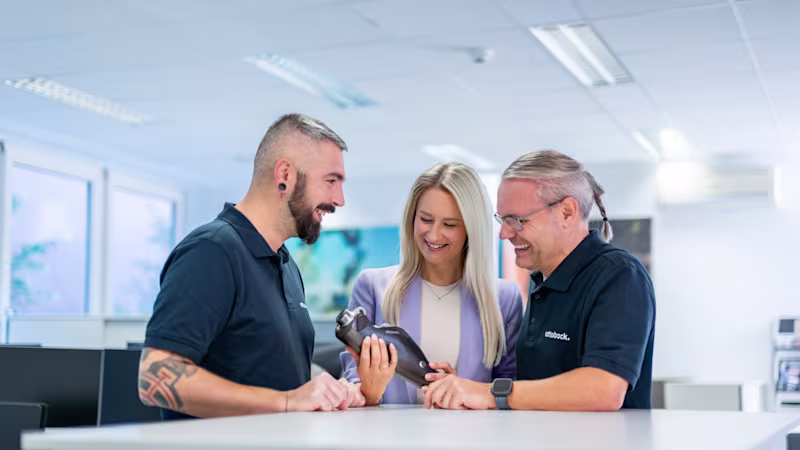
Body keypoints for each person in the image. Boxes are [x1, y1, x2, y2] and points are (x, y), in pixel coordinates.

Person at [138, 113, 365, 419]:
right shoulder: (211, 251)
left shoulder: (285, 264)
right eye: (330, 181)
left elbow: (269, 374)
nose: (339, 199)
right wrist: (286, 401)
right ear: (285, 175)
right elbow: (155, 378)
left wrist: (328, 389)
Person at [423, 150, 655, 411]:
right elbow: (535, 389)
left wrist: (490, 393)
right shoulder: (541, 282)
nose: (504, 234)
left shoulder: (619, 276)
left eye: (517, 220)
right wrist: (465, 387)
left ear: (566, 212)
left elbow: (603, 390)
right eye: (503, 220)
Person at [339, 162, 523, 405]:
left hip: (469, 429)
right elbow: (352, 383)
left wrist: (468, 392)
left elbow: (510, 389)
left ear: (471, 229)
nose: (434, 235)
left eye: (450, 224)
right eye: (426, 219)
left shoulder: (505, 298)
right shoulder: (372, 286)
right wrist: (369, 392)